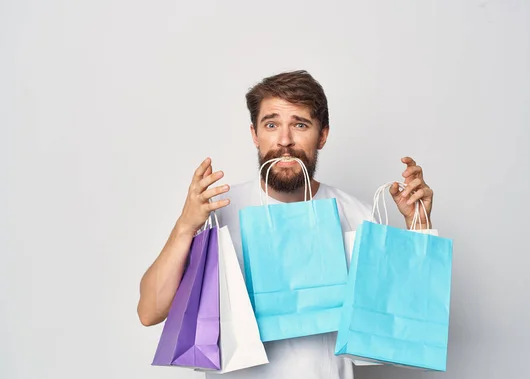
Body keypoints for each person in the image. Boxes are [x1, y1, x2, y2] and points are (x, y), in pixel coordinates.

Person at [137, 70, 435, 379]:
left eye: (300, 124)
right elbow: (150, 311)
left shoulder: (356, 216)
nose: (284, 140)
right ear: (255, 134)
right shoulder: (216, 212)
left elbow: (399, 329)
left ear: (322, 135)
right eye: (271, 124)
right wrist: (185, 226)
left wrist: (418, 229)